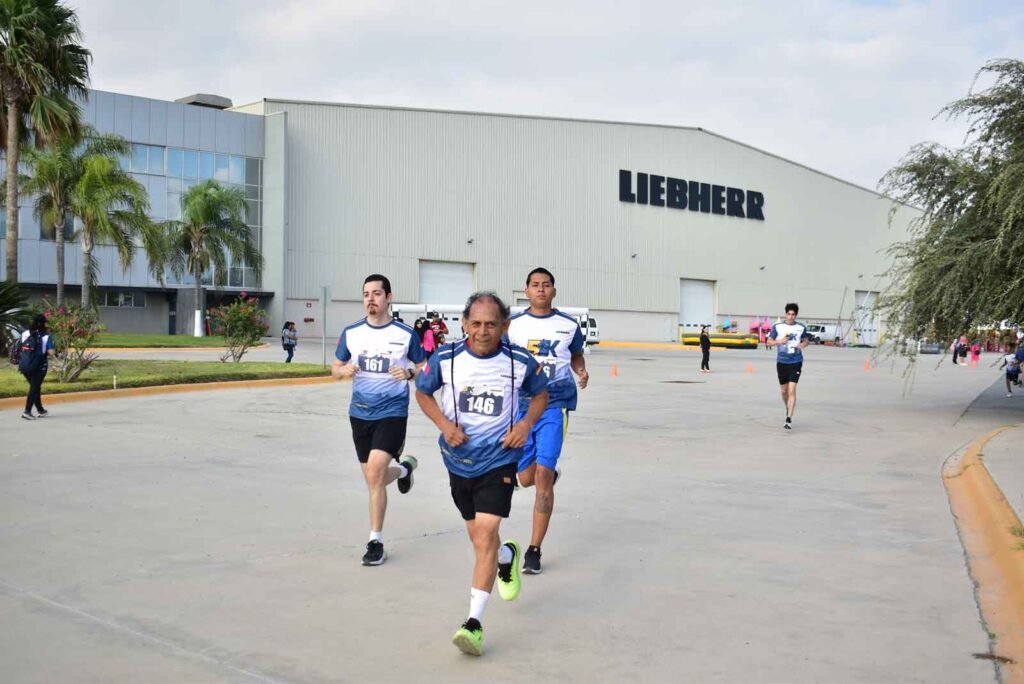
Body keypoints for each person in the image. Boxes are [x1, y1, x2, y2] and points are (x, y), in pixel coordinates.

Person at [415, 292, 549, 656]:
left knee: (486, 532)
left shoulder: (519, 361)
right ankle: (506, 557)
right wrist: (444, 425)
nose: (483, 331)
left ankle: (473, 623)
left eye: (491, 324)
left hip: (500, 459)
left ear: (505, 326)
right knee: (480, 541)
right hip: (458, 460)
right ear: (464, 324)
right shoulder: (446, 358)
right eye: (475, 324)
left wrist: (525, 425)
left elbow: (540, 395)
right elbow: (423, 393)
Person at [332, 274, 426, 566]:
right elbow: (335, 367)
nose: (370, 299)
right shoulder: (352, 333)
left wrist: (409, 373)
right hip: (359, 413)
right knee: (374, 479)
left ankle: (375, 542)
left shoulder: (405, 334)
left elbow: (424, 367)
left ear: (388, 297)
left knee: (374, 472)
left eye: (376, 293)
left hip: (392, 412)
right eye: (366, 294)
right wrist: (343, 371)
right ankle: (404, 470)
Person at [506, 267, 589, 574]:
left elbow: (576, 355)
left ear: (554, 290)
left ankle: (534, 549)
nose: (541, 289)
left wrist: (580, 370)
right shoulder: (512, 325)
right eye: (535, 285)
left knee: (541, 477)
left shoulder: (568, 325)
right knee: (525, 477)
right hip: (521, 406)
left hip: (555, 405)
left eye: (546, 285)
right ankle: (548, 475)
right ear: (526, 290)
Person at [767, 303, 810, 430]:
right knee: (784, 391)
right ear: (786, 314)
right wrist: (779, 341)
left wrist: (804, 344)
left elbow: (806, 339)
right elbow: (768, 342)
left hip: (796, 361)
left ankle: (788, 419)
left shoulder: (801, 327)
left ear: (796, 315)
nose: (791, 317)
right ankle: (788, 407)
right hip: (782, 362)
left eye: (793, 314)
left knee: (792, 390)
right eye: (789, 314)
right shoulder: (778, 327)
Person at [20, 314, 55, 420]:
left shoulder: (25, 333)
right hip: (39, 366)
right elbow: (51, 352)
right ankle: (27, 411)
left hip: (25, 364)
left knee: (35, 387)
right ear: (42, 323)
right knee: (34, 388)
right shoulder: (46, 336)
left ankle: (40, 410)